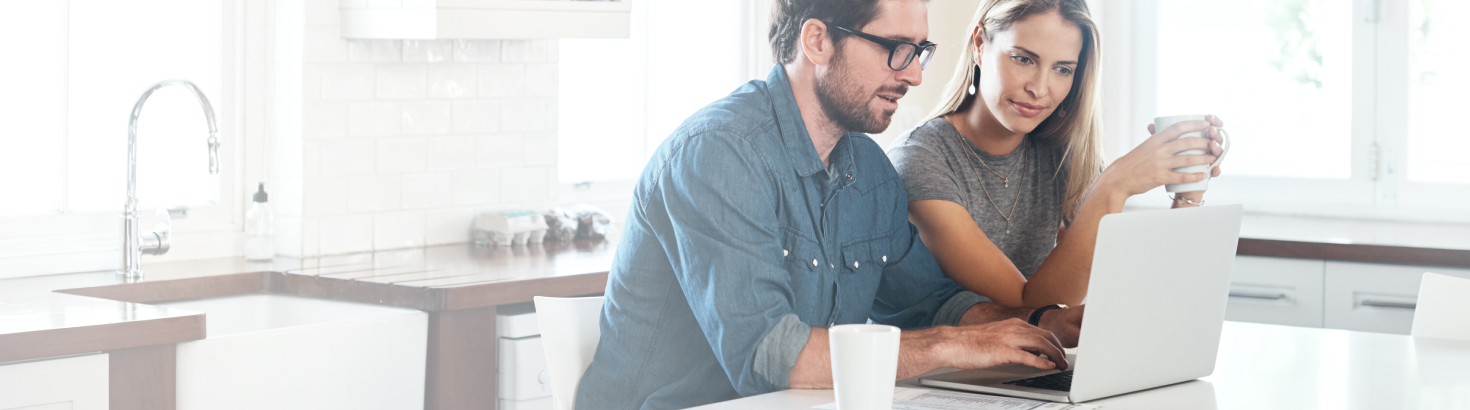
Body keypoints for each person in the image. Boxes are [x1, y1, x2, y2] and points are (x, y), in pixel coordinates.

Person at [574, 0, 1084, 409]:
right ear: (818, 41)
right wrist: (954, 346)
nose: (914, 76)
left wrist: (1039, 321)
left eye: (919, 50)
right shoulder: (717, 154)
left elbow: (929, 302)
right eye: (895, 48)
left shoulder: (869, 171)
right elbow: (769, 356)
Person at [887, 0, 1227, 313]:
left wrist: (1190, 185)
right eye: (1023, 59)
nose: (1039, 88)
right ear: (980, 45)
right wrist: (1113, 186)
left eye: (1062, 69)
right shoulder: (920, 160)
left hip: (1026, 366)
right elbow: (1029, 308)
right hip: (937, 373)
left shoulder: (1061, 156)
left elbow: (1135, 290)